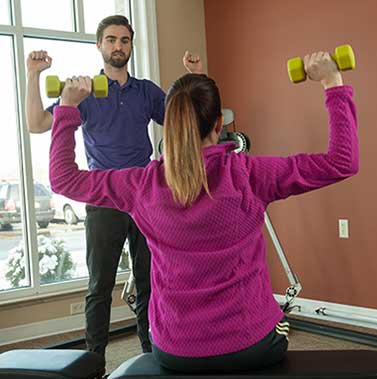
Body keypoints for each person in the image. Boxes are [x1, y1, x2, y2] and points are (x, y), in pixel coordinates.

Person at [48, 51, 359, 373]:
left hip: (174, 348)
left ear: (172, 123)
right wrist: (332, 82)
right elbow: (342, 161)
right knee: (281, 324)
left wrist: (67, 107)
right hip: (250, 344)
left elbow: (63, 178)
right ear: (219, 122)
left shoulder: (141, 185)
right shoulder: (250, 174)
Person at [25, 15, 202, 361]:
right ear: (99, 46)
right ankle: (94, 361)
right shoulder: (84, 91)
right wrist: (34, 76)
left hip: (146, 197)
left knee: (151, 280)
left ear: (131, 46)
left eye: (124, 40)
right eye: (111, 40)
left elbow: (188, 121)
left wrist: (194, 77)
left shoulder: (147, 91)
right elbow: (36, 124)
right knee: (99, 286)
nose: (118, 46)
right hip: (104, 195)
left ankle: (153, 354)